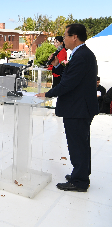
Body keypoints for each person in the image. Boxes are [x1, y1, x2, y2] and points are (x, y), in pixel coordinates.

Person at [36, 24, 98, 192]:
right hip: (80, 107)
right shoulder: (81, 54)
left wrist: (47, 94)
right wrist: (57, 65)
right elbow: (71, 76)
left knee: (77, 144)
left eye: (65, 36)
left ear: (74, 37)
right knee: (81, 143)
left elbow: (68, 84)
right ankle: (81, 173)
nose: (63, 39)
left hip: (78, 108)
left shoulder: (81, 56)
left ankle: (79, 181)